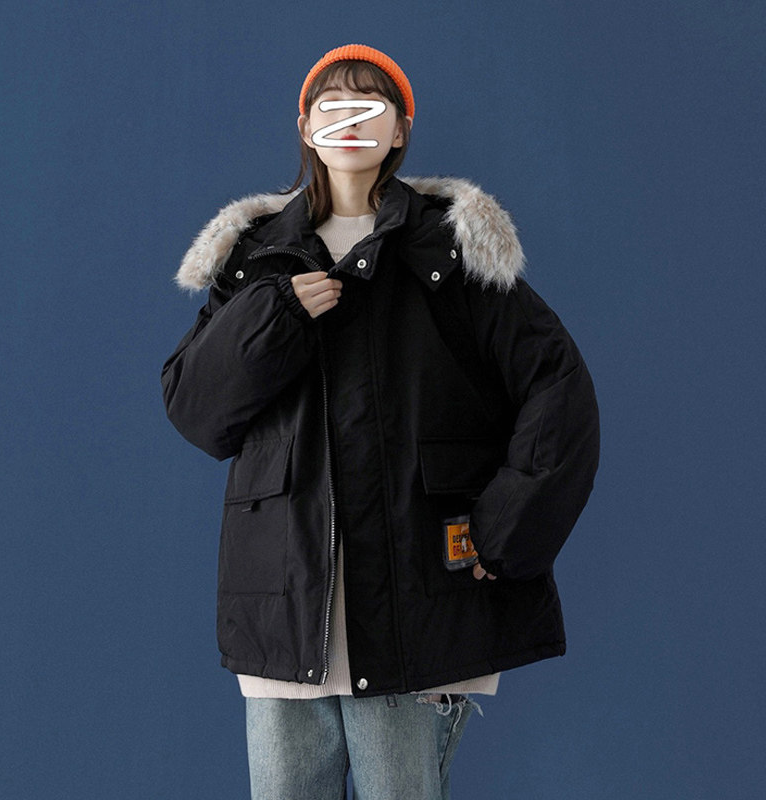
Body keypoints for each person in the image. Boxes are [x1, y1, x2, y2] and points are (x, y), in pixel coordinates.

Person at [161, 44, 600, 800]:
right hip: (284, 606)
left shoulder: (449, 249)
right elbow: (196, 410)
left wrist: (508, 528)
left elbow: (558, 387)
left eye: (371, 105)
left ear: (400, 130)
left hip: (413, 603)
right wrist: (276, 314)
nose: (351, 120)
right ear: (306, 127)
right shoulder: (256, 255)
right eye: (332, 106)